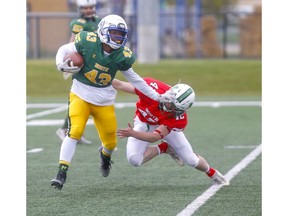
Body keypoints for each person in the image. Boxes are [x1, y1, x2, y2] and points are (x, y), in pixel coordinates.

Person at [50, 14, 167, 190]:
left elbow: (136, 80)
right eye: (114, 33)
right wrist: (60, 64)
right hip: (80, 94)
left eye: (121, 34)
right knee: (74, 131)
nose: (118, 37)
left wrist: (156, 96)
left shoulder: (122, 56)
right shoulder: (88, 40)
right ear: (103, 31)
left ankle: (105, 157)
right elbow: (64, 49)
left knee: (111, 143)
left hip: (104, 100)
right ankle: (61, 172)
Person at [114, 77, 229, 186]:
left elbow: (154, 137)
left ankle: (212, 173)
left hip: (163, 128)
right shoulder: (151, 89)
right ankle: (164, 148)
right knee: (134, 160)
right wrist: (98, 78)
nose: (170, 108)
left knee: (191, 160)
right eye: (170, 104)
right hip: (143, 122)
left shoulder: (177, 118)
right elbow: (120, 84)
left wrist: (133, 133)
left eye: (175, 108)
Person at [56, 0, 101, 145]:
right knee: (78, 100)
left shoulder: (99, 21)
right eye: (85, 8)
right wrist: (68, 62)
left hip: (94, 64)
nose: (88, 10)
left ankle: (76, 131)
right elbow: (72, 42)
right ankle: (64, 129)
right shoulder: (79, 23)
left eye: (90, 7)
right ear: (80, 9)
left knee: (89, 101)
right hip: (82, 65)